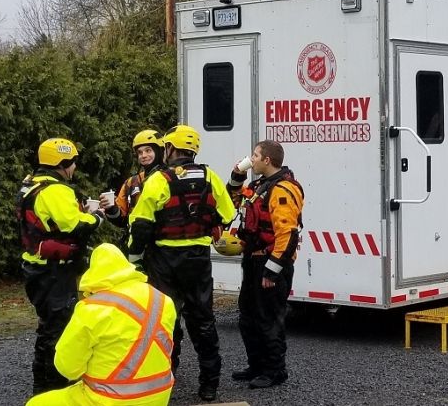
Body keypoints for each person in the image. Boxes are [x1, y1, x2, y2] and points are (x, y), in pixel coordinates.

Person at [128, 125, 235, 402]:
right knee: (203, 320)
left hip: (165, 261)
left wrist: (134, 258)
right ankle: (209, 384)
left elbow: (140, 224)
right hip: (198, 261)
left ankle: (165, 376)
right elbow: (227, 213)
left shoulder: (159, 179)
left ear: (170, 149)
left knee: (165, 321)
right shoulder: (209, 176)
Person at [26, 243, 177, 406]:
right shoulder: (163, 301)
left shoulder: (92, 309)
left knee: (36, 403)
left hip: (109, 401)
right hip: (159, 397)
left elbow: (67, 368)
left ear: (94, 274)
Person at [15, 137, 104, 394]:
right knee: (59, 332)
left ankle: (41, 388)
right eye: (73, 162)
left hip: (36, 267)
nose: (74, 167)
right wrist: (96, 217)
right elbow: (76, 227)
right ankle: (56, 389)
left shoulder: (29, 185)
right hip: (53, 271)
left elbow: (48, 221)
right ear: (64, 163)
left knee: (47, 328)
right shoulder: (56, 190)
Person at [228, 140, 304, 389]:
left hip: (270, 264)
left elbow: (288, 234)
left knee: (268, 318)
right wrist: (236, 176)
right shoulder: (258, 185)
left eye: (255, 155)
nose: (252, 159)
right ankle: (257, 366)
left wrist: (273, 269)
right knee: (248, 317)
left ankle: (274, 370)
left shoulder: (282, 189)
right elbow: (236, 201)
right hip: (253, 259)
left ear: (267, 160)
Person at [102, 129, 165, 250]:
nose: (144, 156)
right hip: (137, 244)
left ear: (159, 151)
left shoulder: (170, 177)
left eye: (148, 150)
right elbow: (122, 219)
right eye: (140, 152)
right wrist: (111, 208)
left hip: (163, 245)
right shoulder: (131, 182)